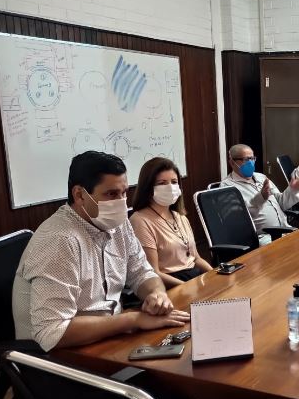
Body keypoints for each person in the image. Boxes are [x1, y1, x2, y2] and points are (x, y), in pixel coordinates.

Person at [12, 151, 190, 353]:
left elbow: (142, 272)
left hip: (109, 337)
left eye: (124, 193)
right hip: (58, 357)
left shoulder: (118, 223)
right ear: (80, 195)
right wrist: (133, 320)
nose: (121, 202)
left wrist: (156, 294)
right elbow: (52, 332)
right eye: (111, 194)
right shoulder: (59, 240)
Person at [130, 157, 213, 288]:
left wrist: (215, 275)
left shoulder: (179, 216)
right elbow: (153, 273)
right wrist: (188, 287)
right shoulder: (140, 220)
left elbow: (196, 258)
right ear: (148, 187)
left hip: (193, 278)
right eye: (162, 183)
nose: (170, 187)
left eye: (174, 182)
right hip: (169, 284)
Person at [221, 144, 299, 243]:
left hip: (285, 229)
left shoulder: (261, 177)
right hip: (262, 237)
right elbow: (238, 219)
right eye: (246, 159)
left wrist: (293, 190)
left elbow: (282, 203)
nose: (250, 163)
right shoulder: (227, 186)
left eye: (252, 158)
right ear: (232, 162)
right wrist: (261, 198)